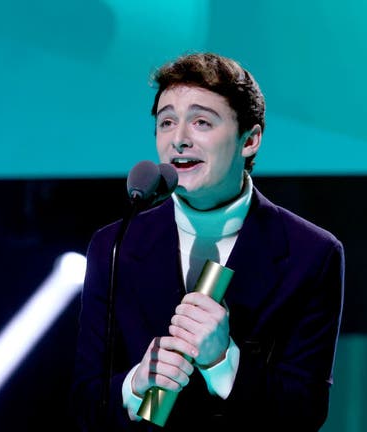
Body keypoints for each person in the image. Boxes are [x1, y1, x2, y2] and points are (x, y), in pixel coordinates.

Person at [71, 52, 344, 431]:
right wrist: (134, 386)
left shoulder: (311, 252)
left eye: (201, 121)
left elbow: (305, 412)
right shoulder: (115, 245)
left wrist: (222, 361)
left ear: (250, 140)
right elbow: (85, 402)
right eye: (166, 122)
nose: (179, 139)